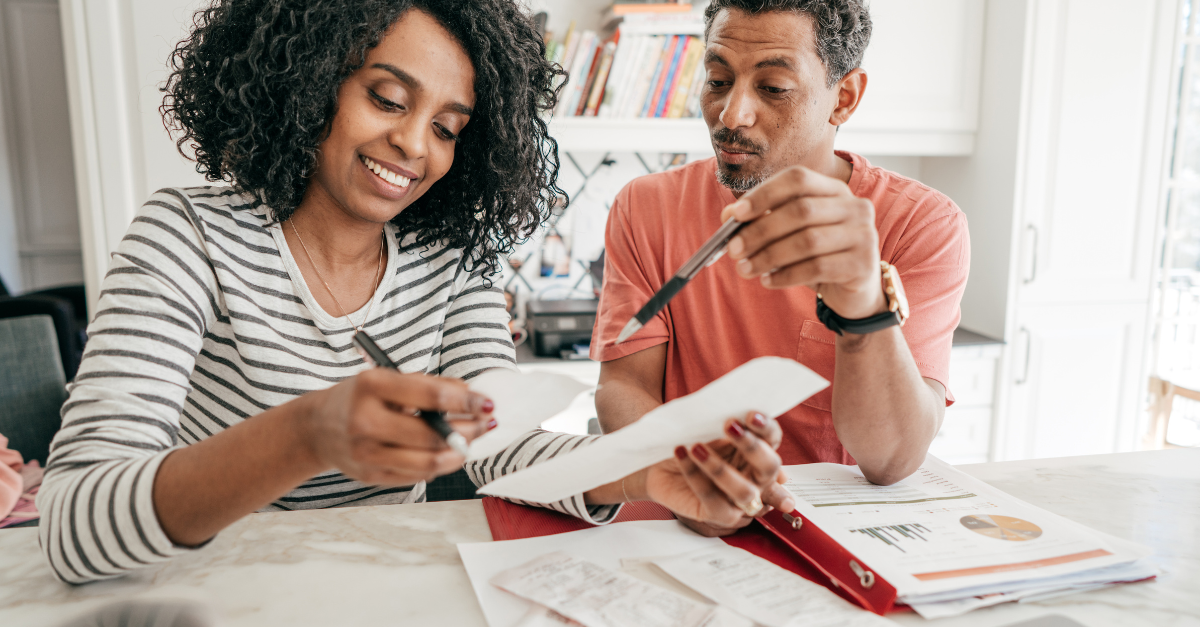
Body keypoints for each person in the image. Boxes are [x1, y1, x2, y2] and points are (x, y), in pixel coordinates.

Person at [38, 0, 793, 584]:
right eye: (389, 98)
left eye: (448, 126)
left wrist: (645, 469)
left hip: (381, 584)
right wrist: (306, 433)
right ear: (309, 80)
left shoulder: (450, 260)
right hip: (210, 589)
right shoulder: (188, 238)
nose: (414, 146)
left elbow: (502, 448)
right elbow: (72, 522)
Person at [592, 0, 970, 536]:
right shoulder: (647, 206)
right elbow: (624, 386)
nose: (732, 114)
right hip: (679, 524)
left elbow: (892, 459)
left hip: (834, 532)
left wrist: (862, 302)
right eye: (718, 79)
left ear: (844, 97)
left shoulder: (921, 224)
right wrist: (680, 475)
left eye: (772, 89)